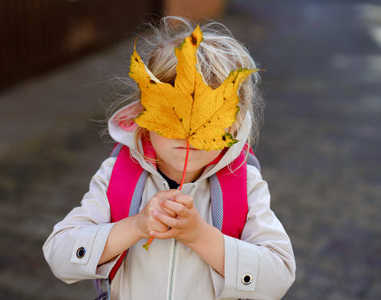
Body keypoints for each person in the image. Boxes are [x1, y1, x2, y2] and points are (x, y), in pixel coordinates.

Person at [43, 17, 295, 300]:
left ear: (234, 124)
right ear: (144, 115)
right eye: (171, 116)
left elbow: (279, 277)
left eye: (208, 120)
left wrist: (199, 236)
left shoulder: (243, 183)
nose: (187, 135)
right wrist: (135, 226)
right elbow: (58, 255)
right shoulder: (117, 174)